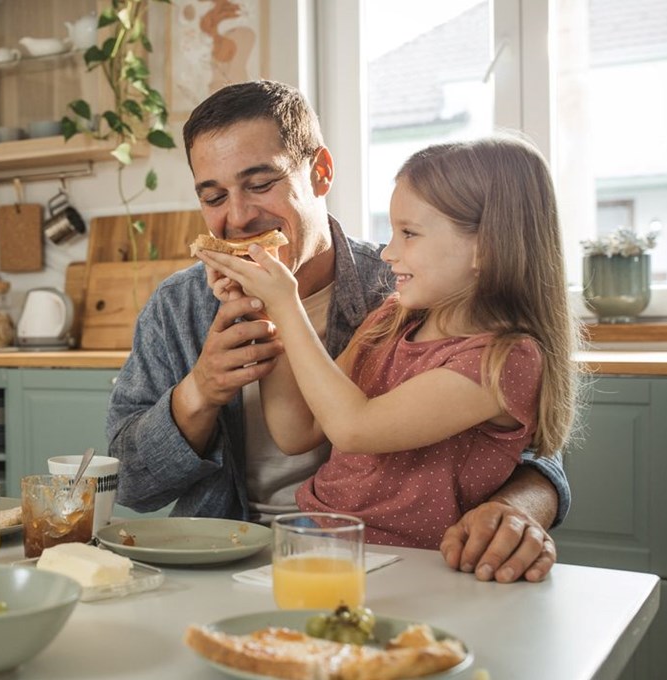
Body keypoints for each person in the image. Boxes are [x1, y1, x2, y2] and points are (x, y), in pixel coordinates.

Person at [107, 80, 569, 582]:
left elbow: (533, 448)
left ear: (321, 171)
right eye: (214, 196)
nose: (237, 217)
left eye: (261, 184)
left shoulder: (407, 289)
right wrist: (198, 392)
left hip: (398, 562)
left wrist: (519, 508)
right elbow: (131, 486)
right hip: (228, 550)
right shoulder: (180, 306)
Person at [197, 136, 579, 550]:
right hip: (315, 536)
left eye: (409, 234)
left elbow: (353, 428)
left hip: (408, 562)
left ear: (485, 246)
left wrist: (285, 302)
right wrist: (263, 311)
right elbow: (296, 430)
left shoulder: (502, 362)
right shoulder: (392, 320)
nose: (388, 253)